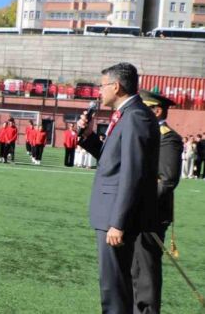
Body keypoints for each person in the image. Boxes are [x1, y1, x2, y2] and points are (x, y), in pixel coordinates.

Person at [77, 62, 160, 313]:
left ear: (117, 86)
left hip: (116, 216)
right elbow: (112, 160)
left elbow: (132, 173)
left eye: (102, 86)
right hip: (111, 213)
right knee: (112, 286)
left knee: (114, 288)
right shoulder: (127, 114)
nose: (99, 92)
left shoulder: (135, 116)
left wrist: (118, 222)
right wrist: (89, 137)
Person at [130, 90, 183, 313]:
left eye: (145, 107)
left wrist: (142, 204)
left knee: (146, 272)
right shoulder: (148, 133)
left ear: (157, 110)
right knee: (135, 269)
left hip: (151, 215)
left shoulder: (167, 138)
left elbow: (167, 180)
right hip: (136, 212)